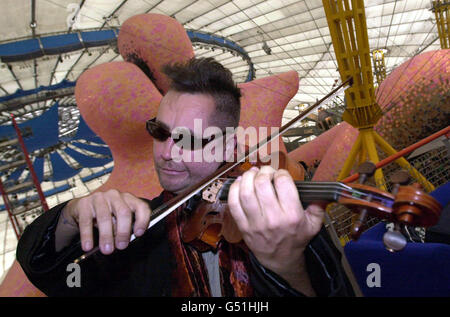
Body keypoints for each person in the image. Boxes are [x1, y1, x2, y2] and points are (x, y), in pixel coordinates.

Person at [17, 57, 354, 297]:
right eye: (159, 132)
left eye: (189, 140)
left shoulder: (288, 221)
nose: (166, 151)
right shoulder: (140, 228)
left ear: (228, 146)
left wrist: (286, 266)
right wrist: (69, 218)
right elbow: (56, 276)